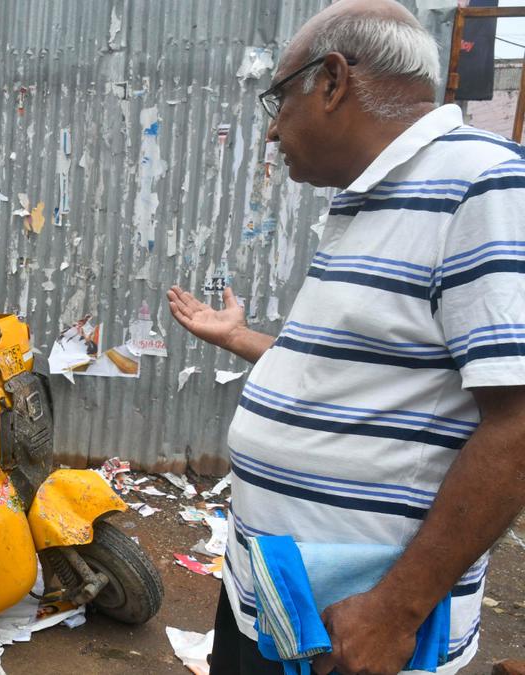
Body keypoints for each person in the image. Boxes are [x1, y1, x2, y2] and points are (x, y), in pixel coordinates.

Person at [167, 1, 525, 673]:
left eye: (279, 101)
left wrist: (396, 609)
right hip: (280, 599)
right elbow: (365, 376)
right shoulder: (367, 201)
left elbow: (519, 420)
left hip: (354, 627)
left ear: (332, 81)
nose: (273, 133)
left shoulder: (483, 183)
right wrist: (244, 339)